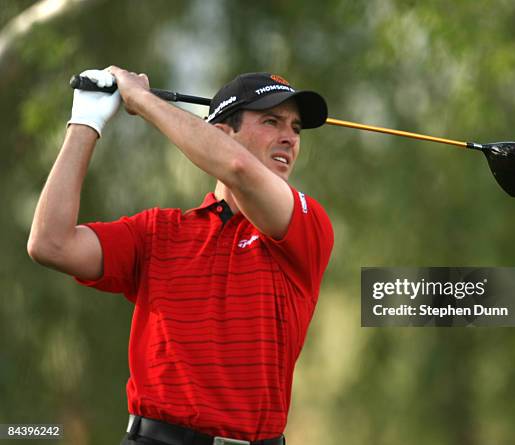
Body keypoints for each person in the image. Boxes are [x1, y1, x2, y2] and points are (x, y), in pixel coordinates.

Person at [27, 66, 334, 445]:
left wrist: (141, 100)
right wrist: (86, 121)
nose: (289, 138)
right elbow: (50, 243)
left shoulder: (306, 226)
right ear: (221, 133)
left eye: (296, 128)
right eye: (272, 121)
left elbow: (238, 168)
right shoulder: (157, 233)